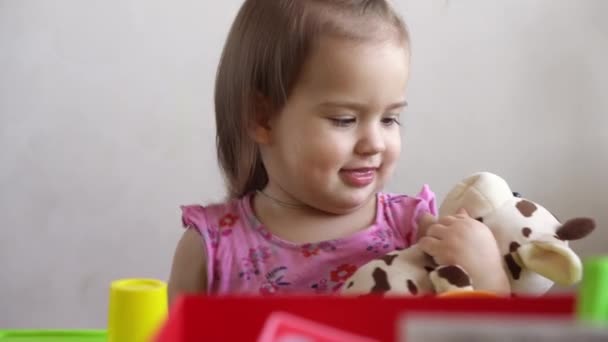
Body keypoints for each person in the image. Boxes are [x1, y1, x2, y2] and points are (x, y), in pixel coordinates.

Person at [167, 0, 509, 304]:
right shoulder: (209, 249)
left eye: (390, 119)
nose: (374, 143)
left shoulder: (415, 230)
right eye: (345, 119)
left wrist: (488, 274)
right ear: (263, 118)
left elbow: (487, 332)